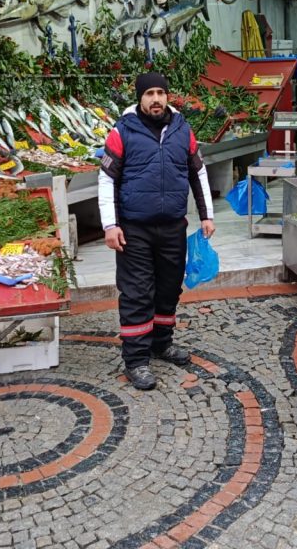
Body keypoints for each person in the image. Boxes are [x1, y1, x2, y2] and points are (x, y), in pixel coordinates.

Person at [98, 72, 216, 391]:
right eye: (149, 93)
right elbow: (107, 179)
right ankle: (136, 360)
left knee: (168, 289)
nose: (155, 99)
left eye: (160, 93)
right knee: (137, 293)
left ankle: (161, 344)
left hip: (173, 227)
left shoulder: (182, 130)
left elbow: (198, 173)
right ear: (140, 97)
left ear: (167, 96)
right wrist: (110, 224)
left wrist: (206, 215)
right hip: (134, 230)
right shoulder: (122, 131)